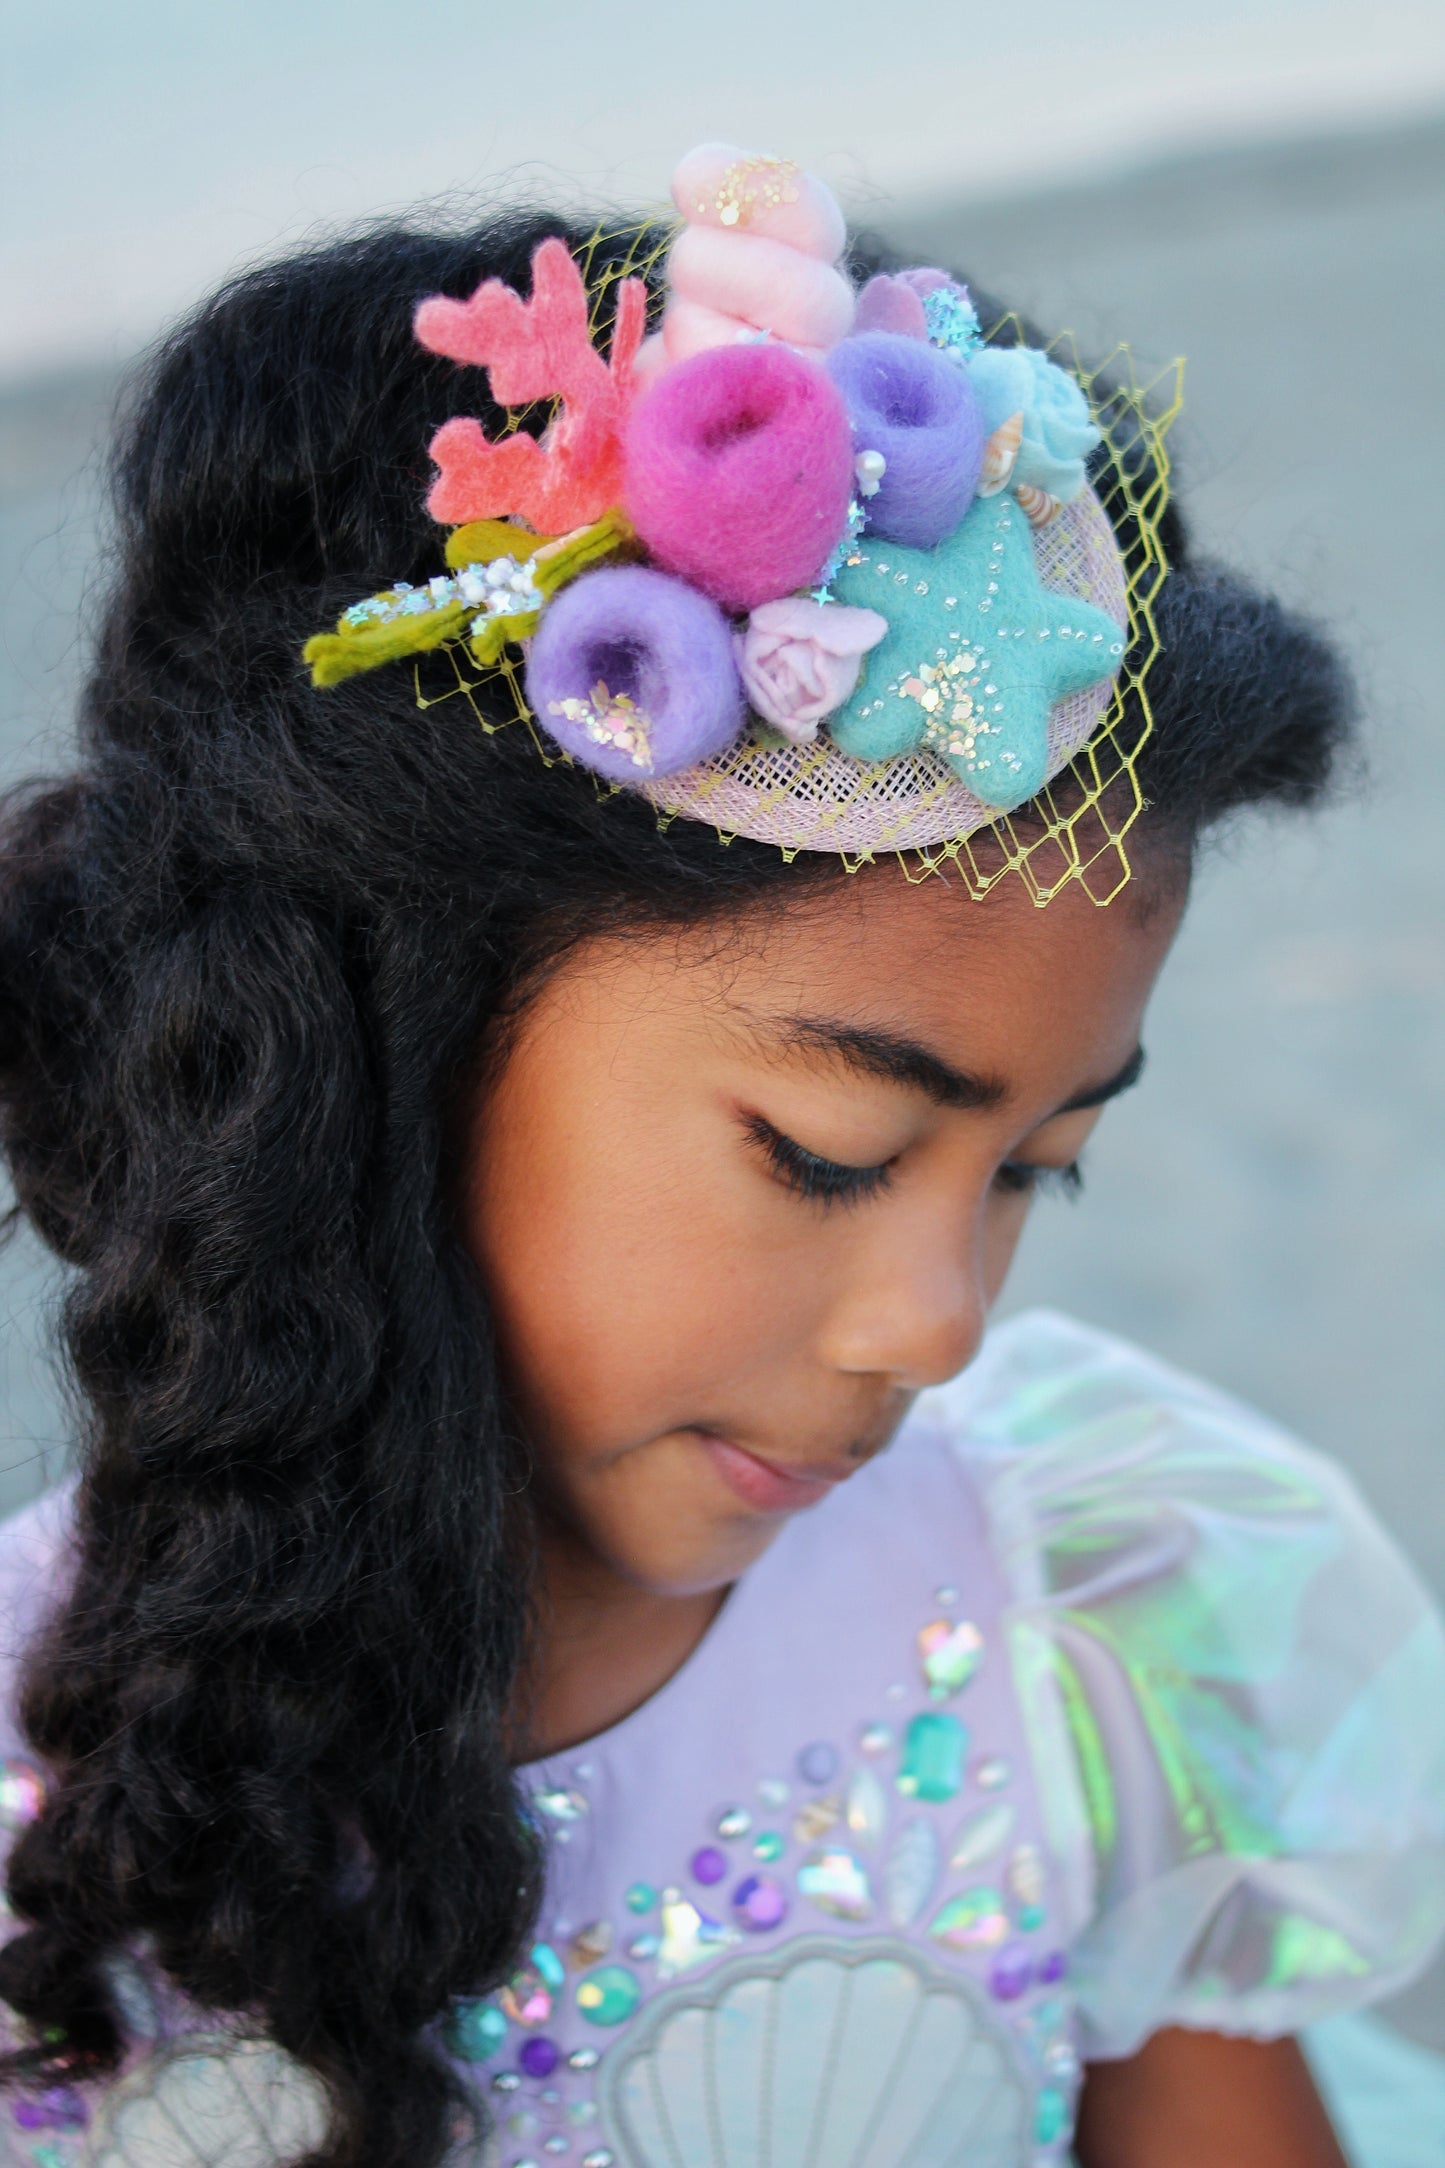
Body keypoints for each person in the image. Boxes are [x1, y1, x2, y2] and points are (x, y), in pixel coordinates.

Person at [0, 142, 1440, 2168]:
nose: (938, 1326)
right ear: (377, 1038)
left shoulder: (1089, 1625)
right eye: (832, 1151)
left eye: (1041, 1166)